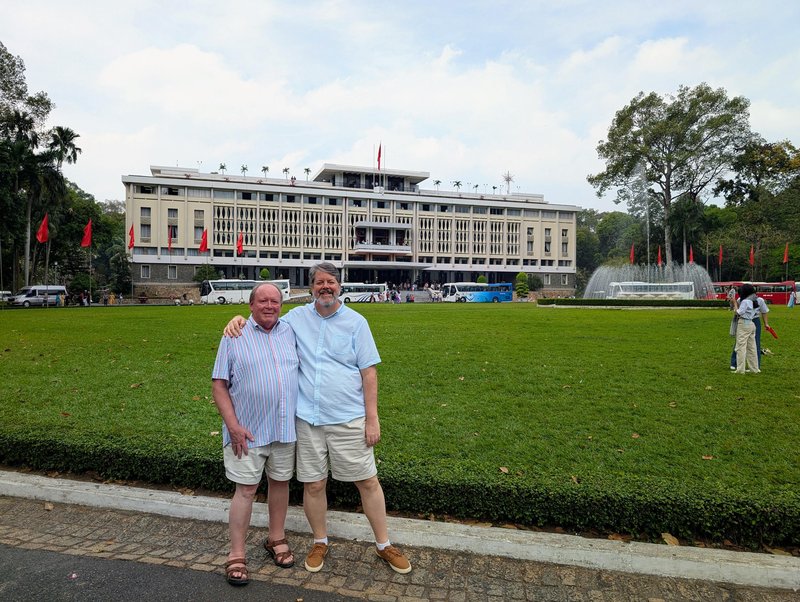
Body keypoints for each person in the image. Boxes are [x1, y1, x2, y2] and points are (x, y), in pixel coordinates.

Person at [224, 262, 411, 575]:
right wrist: (239, 319)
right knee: (313, 485)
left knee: (367, 480)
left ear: (340, 286)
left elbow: (369, 372)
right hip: (308, 420)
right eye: (320, 282)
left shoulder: (357, 322)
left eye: (331, 282)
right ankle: (319, 541)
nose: (326, 287)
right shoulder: (295, 319)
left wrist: (372, 418)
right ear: (311, 288)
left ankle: (383, 544)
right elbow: (265, 319)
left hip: (348, 417)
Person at [212, 282, 300, 586]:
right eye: (262, 301)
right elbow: (219, 384)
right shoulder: (234, 335)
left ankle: (276, 538)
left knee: (280, 483)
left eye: (275, 301)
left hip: (283, 428)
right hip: (246, 431)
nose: (269, 306)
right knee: (246, 491)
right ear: (250, 306)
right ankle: (236, 553)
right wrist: (233, 425)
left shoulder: (289, 331)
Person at [730, 290, 770, 370]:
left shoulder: (758, 300)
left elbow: (764, 311)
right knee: (748, 344)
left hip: (750, 320)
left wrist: (766, 323)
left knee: (747, 343)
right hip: (750, 321)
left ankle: (751, 365)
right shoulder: (741, 300)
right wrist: (732, 302)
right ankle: (738, 363)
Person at [732, 283, 760, 374]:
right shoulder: (754, 300)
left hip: (744, 324)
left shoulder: (745, 301)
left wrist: (735, 303)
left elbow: (738, 313)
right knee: (752, 347)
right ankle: (754, 368)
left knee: (740, 347)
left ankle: (740, 369)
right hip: (751, 324)